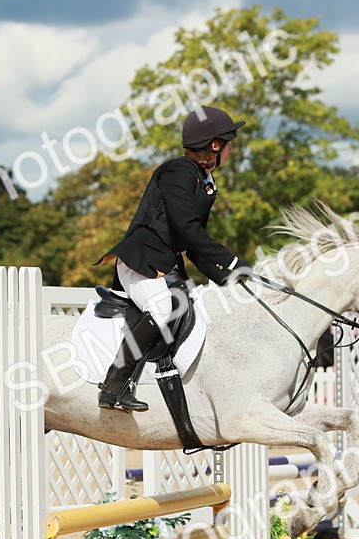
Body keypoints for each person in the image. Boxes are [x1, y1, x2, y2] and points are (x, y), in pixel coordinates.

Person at [92, 105, 251, 412]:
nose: (231, 150)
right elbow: (187, 229)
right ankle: (113, 386)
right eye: (228, 143)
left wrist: (229, 279)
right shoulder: (177, 172)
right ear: (214, 147)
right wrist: (231, 261)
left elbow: (192, 247)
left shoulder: (204, 181)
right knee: (161, 307)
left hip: (165, 262)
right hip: (141, 259)